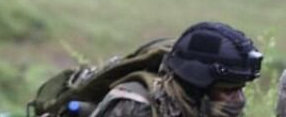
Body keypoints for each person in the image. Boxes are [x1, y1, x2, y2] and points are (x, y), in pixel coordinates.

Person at [92, 22, 261, 117]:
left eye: (240, 89)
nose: (238, 99)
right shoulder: (134, 108)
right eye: (227, 90)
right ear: (195, 87)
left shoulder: (204, 109)